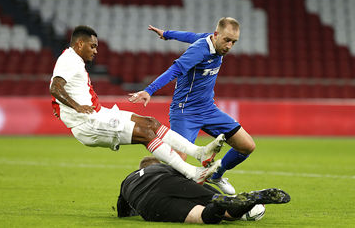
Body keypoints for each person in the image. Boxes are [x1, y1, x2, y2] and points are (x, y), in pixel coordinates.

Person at [49, 25, 225, 184]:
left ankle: (199, 152)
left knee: (151, 123)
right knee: (145, 134)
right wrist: (76, 106)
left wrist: (67, 107)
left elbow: (62, 90)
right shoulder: (69, 60)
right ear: (80, 44)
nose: (95, 51)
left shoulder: (74, 60)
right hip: (87, 123)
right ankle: (193, 173)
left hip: (99, 113)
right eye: (92, 46)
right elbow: (55, 87)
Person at [129, 17, 255, 194]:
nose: (229, 46)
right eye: (227, 40)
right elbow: (174, 70)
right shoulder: (199, 51)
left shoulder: (209, 40)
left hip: (208, 109)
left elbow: (189, 35)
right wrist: (149, 90)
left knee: (247, 146)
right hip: (185, 111)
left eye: (234, 42)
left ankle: (216, 174)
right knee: (178, 162)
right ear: (216, 34)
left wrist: (167, 34)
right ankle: (149, 193)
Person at [117, 156, 291, 224]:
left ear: (140, 167)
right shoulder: (166, 168)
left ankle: (218, 204)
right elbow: (191, 176)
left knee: (202, 216)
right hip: (173, 180)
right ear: (158, 164)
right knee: (228, 211)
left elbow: (123, 211)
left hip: (150, 201)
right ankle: (244, 199)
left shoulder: (127, 180)